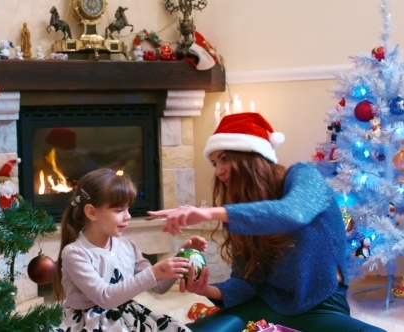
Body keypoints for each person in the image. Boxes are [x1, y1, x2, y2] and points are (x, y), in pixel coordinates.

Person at [148, 113, 386, 332]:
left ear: (250, 155)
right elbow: (244, 283)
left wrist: (208, 213)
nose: (219, 171)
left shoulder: (304, 175)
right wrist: (204, 289)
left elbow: (293, 213)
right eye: (214, 163)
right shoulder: (243, 210)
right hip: (264, 305)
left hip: (319, 305)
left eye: (224, 158)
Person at [53, 168, 207, 332]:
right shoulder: (75, 253)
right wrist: (155, 272)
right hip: (90, 323)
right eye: (119, 210)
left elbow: (159, 288)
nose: (128, 216)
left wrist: (180, 258)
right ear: (92, 212)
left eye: (128, 209)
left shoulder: (127, 246)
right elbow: (105, 297)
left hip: (127, 315)